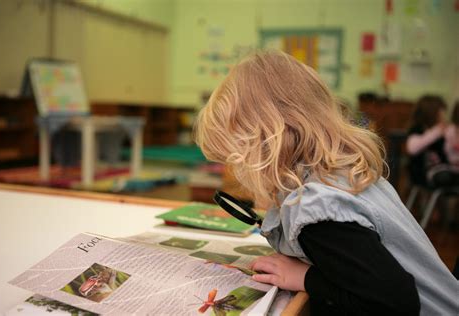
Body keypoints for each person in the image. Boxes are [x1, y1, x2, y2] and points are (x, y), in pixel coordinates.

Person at [194, 51, 458, 315]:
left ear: (265, 144)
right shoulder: (341, 174)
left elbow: (395, 302)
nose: (236, 171)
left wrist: (305, 277)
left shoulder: (316, 208)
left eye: (236, 157)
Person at [405, 95, 448, 187]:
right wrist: (436, 131)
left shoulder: (440, 131)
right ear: (432, 113)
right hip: (423, 173)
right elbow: (412, 149)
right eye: (441, 112)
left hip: (441, 169)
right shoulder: (417, 129)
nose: (444, 116)